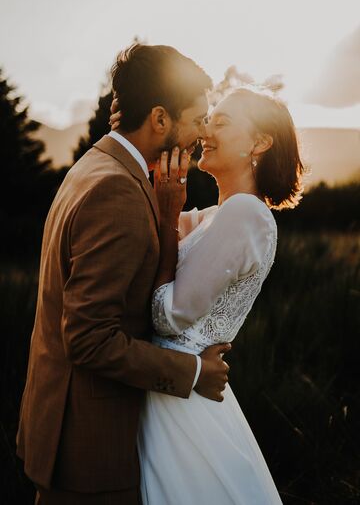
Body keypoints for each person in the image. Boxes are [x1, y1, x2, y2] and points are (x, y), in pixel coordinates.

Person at [16, 44, 231, 505]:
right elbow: (89, 338)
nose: (200, 133)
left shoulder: (96, 166)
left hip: (66, 433)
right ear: (159, 118)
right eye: (195, 119)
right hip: (89, 450)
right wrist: (193, 372)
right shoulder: (116, 192)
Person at [112, 87, 304, 504]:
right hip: (172, 388)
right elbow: (150, 228)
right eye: (207, 120)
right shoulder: (217, 215)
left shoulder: (246, 214)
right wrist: (132, 136)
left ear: (259, 142)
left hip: (180, 406)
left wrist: (166, 217)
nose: (206, 131)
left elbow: (169, 316)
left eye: (222, 122)